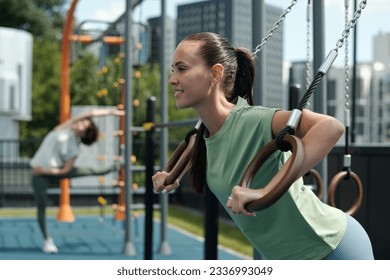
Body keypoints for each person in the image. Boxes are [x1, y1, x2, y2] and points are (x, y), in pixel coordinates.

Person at [152, 32, 374, 260]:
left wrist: (267, 190)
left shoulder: (252, 120)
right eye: (172, 69)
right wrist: (172, 175)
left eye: (182, 68)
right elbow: (202, 149)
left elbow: (331, 127)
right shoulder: (203, 135)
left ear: (215, 73)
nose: (172, 79)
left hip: (331, 248)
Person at [30, 107, 124, 254]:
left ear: (83, 133)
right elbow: (89, 114)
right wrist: (111, 112)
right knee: (41, 205)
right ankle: (47, 240)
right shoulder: (64, 127)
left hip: (52, 170)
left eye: (83, 125)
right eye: (81, 122)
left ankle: (116, 166)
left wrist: (46, 170)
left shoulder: (74, 147)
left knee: (89, 170)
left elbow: (66, 170)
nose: (80, 123)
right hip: (39, 173)